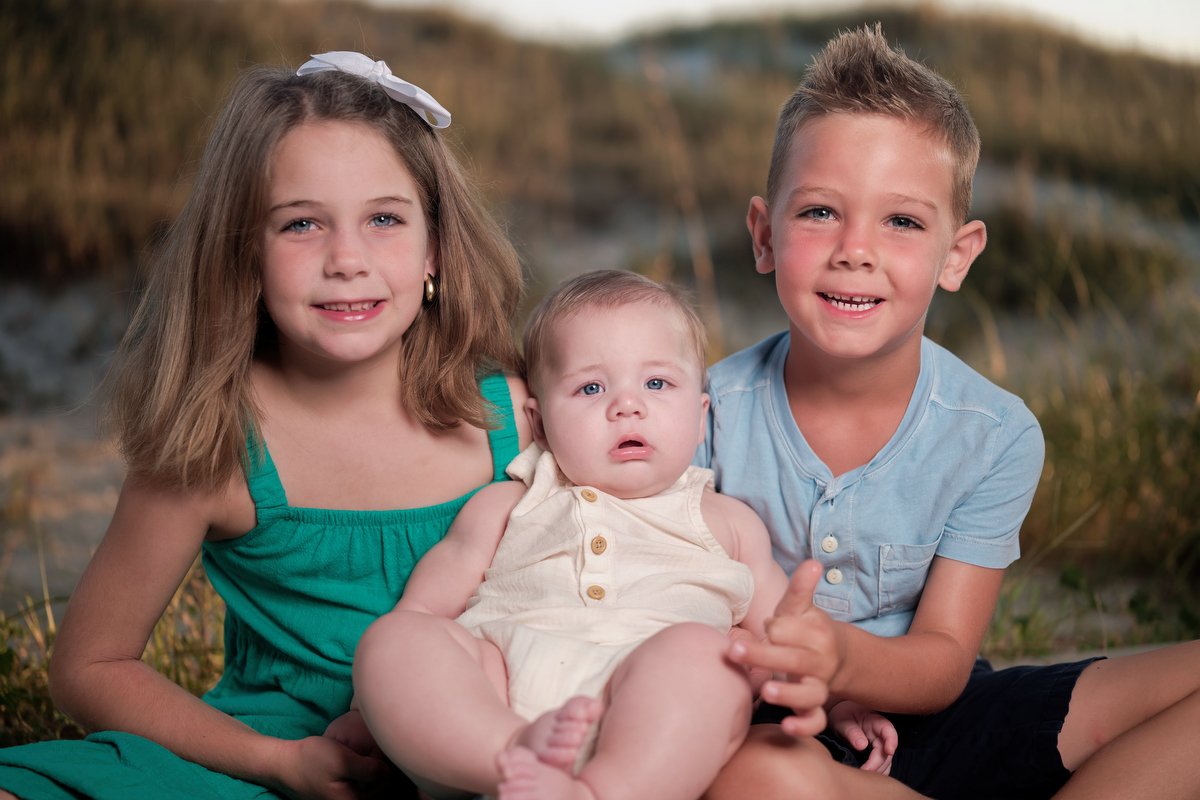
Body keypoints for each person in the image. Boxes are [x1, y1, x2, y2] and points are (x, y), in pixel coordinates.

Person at [0, 51, 529, 800]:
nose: (347, 259)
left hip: (490, 750)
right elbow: (90, 666)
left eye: (384, 219)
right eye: (302, 224)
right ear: (244, 250)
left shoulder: (512, 419)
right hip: (281, 765)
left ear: (435, 246)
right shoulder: (218, 443)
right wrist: (275, 762)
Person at [697, 24, 1200, 800]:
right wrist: (801, 673)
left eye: (901, 222)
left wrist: (842, 658)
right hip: (779, 732)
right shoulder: (702, 415)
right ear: (764, 235)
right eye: (821, 212)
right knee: (758, 779)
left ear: (956, 254)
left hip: (935, 713)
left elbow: (941, 662)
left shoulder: (994, 434)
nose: (855, 249)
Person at [350, 270, 899, 800]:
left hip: (655, 729)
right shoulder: (507, 504)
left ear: (701, 415)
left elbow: (790, 642)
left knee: (708, 657)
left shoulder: (725, 523)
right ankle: (512, 758)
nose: (627, 405)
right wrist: (366, 711)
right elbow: (423, 611)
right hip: (493, 702)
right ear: (538, 424)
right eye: (591, 387)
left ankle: (597, 791)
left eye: (657, 383)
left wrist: (840, 699)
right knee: (393, 640)